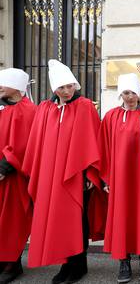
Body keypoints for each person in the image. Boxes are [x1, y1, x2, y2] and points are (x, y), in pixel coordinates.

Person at [22, 60, 106, 284]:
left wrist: (89, 173)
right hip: (51, 176)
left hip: (76, 176)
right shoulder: (45, 109)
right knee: (58, 220)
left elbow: (92, 140)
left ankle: (78, 264)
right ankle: (66, 263)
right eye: (61, 87)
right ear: (54, 89)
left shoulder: (85, 106)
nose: (67, 91)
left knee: (77, 221)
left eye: (70, 86)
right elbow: (37, 143)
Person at [99, 74, 140, 283]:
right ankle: (123, 261)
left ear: (138, 94)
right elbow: (103, 148)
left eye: (132, 92)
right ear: (120, 94)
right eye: (125, 93)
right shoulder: (111, 117)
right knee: (122, 217)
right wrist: (106, 179)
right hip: (119, 178)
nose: (129, 97)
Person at [0, 68, 36, 284]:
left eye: (4, 83)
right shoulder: (2, 108)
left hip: (13, 177)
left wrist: (4, 167)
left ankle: (13, 264)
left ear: (17, 87)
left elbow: (24, 145)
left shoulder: (28, 110)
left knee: (12, 220)